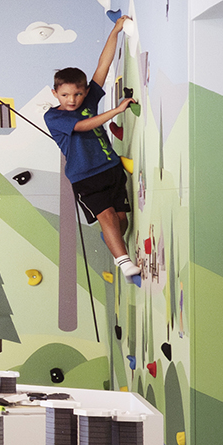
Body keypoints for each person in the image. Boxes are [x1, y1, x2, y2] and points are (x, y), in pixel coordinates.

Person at [46, 21, 140, 283]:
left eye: (77, 94)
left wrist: (115, 31)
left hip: (110, 168)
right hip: (84, 176)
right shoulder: (53, 116)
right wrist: (116, 110)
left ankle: (114, 245)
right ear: (55, 93)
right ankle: (124, 263)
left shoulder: (88, 99)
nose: (72, 100)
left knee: (122, 221)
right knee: (107, 216)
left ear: (85, 91)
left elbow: (103, 66)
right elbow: (84, 125)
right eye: (65, 94)